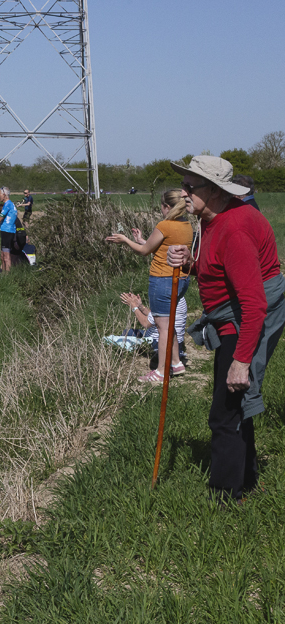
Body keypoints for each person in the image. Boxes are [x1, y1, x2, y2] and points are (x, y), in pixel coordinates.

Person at [167, 155, 285, 504]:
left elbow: (255, 303)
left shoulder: (234, 228)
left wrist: (241, 360)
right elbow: (216, 269)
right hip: (234, 313)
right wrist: (190, 264)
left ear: (216, 191)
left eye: (190, 187)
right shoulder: (212, 218)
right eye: (183, 185)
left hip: (243, 317)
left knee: (225, 412)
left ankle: (225, 496)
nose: (183, 193)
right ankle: (245, 480)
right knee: (234, 404)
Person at [106, 189, 193, 383]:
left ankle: (161, 372)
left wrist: (125, 240)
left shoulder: (165, 225)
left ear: (167, 207)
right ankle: (177, 362)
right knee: (170, 325)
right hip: (181, 279)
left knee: (163, 328)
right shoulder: (187, 225)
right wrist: (141, 240)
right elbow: (162, 249)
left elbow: (145, 252)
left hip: (162, 280)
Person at [120, 292, 188, 368]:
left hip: (158, 340)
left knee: (127, 333)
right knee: (130, 333)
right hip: (177, 342)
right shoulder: (179, 298)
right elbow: (157, 316)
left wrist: (134, 307)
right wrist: (141, 307)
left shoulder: (163, 298)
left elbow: (146, 323)